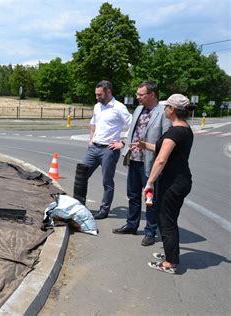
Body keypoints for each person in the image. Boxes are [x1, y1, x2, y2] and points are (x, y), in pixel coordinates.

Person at [135, 94, 194, 274]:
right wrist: (145, 145)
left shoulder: (175, 131)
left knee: (166, 220)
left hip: (174, 183)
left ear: (172, 110)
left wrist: (149, 182)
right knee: (169, 219)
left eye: (166, 106)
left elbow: (161, 159)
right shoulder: (185, 128)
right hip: (180, 180)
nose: (164, 109)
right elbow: (164, 148)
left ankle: (170, 263)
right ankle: (171, 254)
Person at [113, 81, 171, 247]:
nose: (137, 97)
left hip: (150, 163)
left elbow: (166, 140)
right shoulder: (138, 109)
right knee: (133, 195)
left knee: (150, 199)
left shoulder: (163, 113)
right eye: (137, 94)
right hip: (134, 159)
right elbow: (131, 132)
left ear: (152, 95)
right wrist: (125, 145)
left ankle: (150, 232)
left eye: (140, 94)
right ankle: (132, 225)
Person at [81, 80, 132, 219]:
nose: (97, 98)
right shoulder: (97, 106)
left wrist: (123, 142)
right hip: (94, 147)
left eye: (99, 95)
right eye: (96, 95)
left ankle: (104, 210)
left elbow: (132, 125)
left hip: (109, 150)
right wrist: (91, 139)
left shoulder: (119, 107)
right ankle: (80, 205)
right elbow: (93, 124)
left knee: (107, 181)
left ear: (108, 92)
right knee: (81, 175)